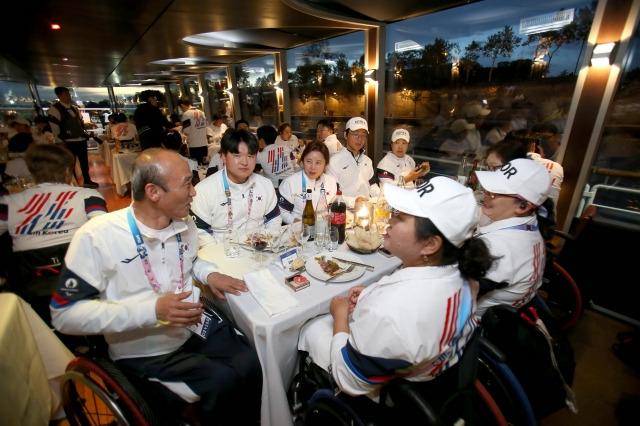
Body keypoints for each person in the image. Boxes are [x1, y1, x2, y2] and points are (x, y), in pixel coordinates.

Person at [50, 148, 262, 423]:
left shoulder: (185, 224)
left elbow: (188, 258)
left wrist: (209, 274)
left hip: (192, 328)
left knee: (251, 360)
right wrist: (152, 311)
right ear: (153, 192)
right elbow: (64, 315)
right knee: (220, 381)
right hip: (147, 351)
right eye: (187, 184)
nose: (194, 192)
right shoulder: (97, 236)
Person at [297, 177, 493, 405]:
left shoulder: (391, 312)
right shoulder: (466, 276)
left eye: (401, 216)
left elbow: (348, 379)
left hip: (396, 396)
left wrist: (340, 317)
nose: (389, 219)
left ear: (431, 244)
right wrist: (374, 292)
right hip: (441, 373)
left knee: (310, 328)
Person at [1, 144, 107, 324]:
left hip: (29, 282)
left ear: (32, 171)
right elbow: (104, 227)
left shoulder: (9, 203)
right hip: (82, 278)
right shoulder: (88, 196)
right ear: (68, 170)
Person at [474, 158, 555, 319]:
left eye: (495, 192)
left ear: (523, 206)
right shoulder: (532, 225)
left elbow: (450, 296)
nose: (487, 195)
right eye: (488, 189)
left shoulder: (498, 247)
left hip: (473, 325)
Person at [189, 129, 282, 235]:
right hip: (221, 248)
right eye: (237, 156)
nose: (245, 162)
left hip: (260, 246)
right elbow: (200, 231)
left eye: (250, 156)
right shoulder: (203, 190)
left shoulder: (265, 184)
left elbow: (273, 219)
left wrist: (269, 242)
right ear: (224, 157)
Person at [47, 86, 99, 188]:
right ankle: (73, 184)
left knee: (84, 163)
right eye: (65, 94)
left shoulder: (74, 108)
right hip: (68, 141)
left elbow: (79, 123)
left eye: (69, 94)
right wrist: (59, 141)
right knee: (71, 164)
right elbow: (54, 127)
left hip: (81, 139)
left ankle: (87, 180)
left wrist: (88, 125)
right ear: (59, 96)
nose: (68, 96)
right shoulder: (54, 109)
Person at [278, 141, 338, 224]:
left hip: (322, 228)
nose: (312, 167)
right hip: (298, 229)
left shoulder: (331, 181)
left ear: (325, 164)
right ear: (302, 161)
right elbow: (282, 213)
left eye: (318, 163)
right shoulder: (290, 183)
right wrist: (303, 225)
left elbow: (332, 207)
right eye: (309, 161)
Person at [327, 117, 379, 208]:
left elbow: (372, 185)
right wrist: (354, 201)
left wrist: (381, 196)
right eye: (355, 134)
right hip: (345, 210)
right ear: (345, 135)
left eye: (363, 135)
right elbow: (331, 194)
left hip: (367, 207)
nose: (359, 139)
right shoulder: (333, 162)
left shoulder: (367, 161)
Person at [256, 125, 295, 189]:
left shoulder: (260, 157)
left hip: (276, 189)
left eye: (258, 138)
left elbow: (256, 172)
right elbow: (293, 163)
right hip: (293, 185)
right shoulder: (285, 148)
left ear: (262, 140)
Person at [178, 97, 209, 165]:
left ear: (182, 105)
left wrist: (181, 128)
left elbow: (187, 131)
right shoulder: (201, 112)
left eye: (181, 108)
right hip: (204, 144)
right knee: (205, 166)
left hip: (194, 145)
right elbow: (206, 125)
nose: (182, 110)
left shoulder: (186, 114)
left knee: (197, 166)